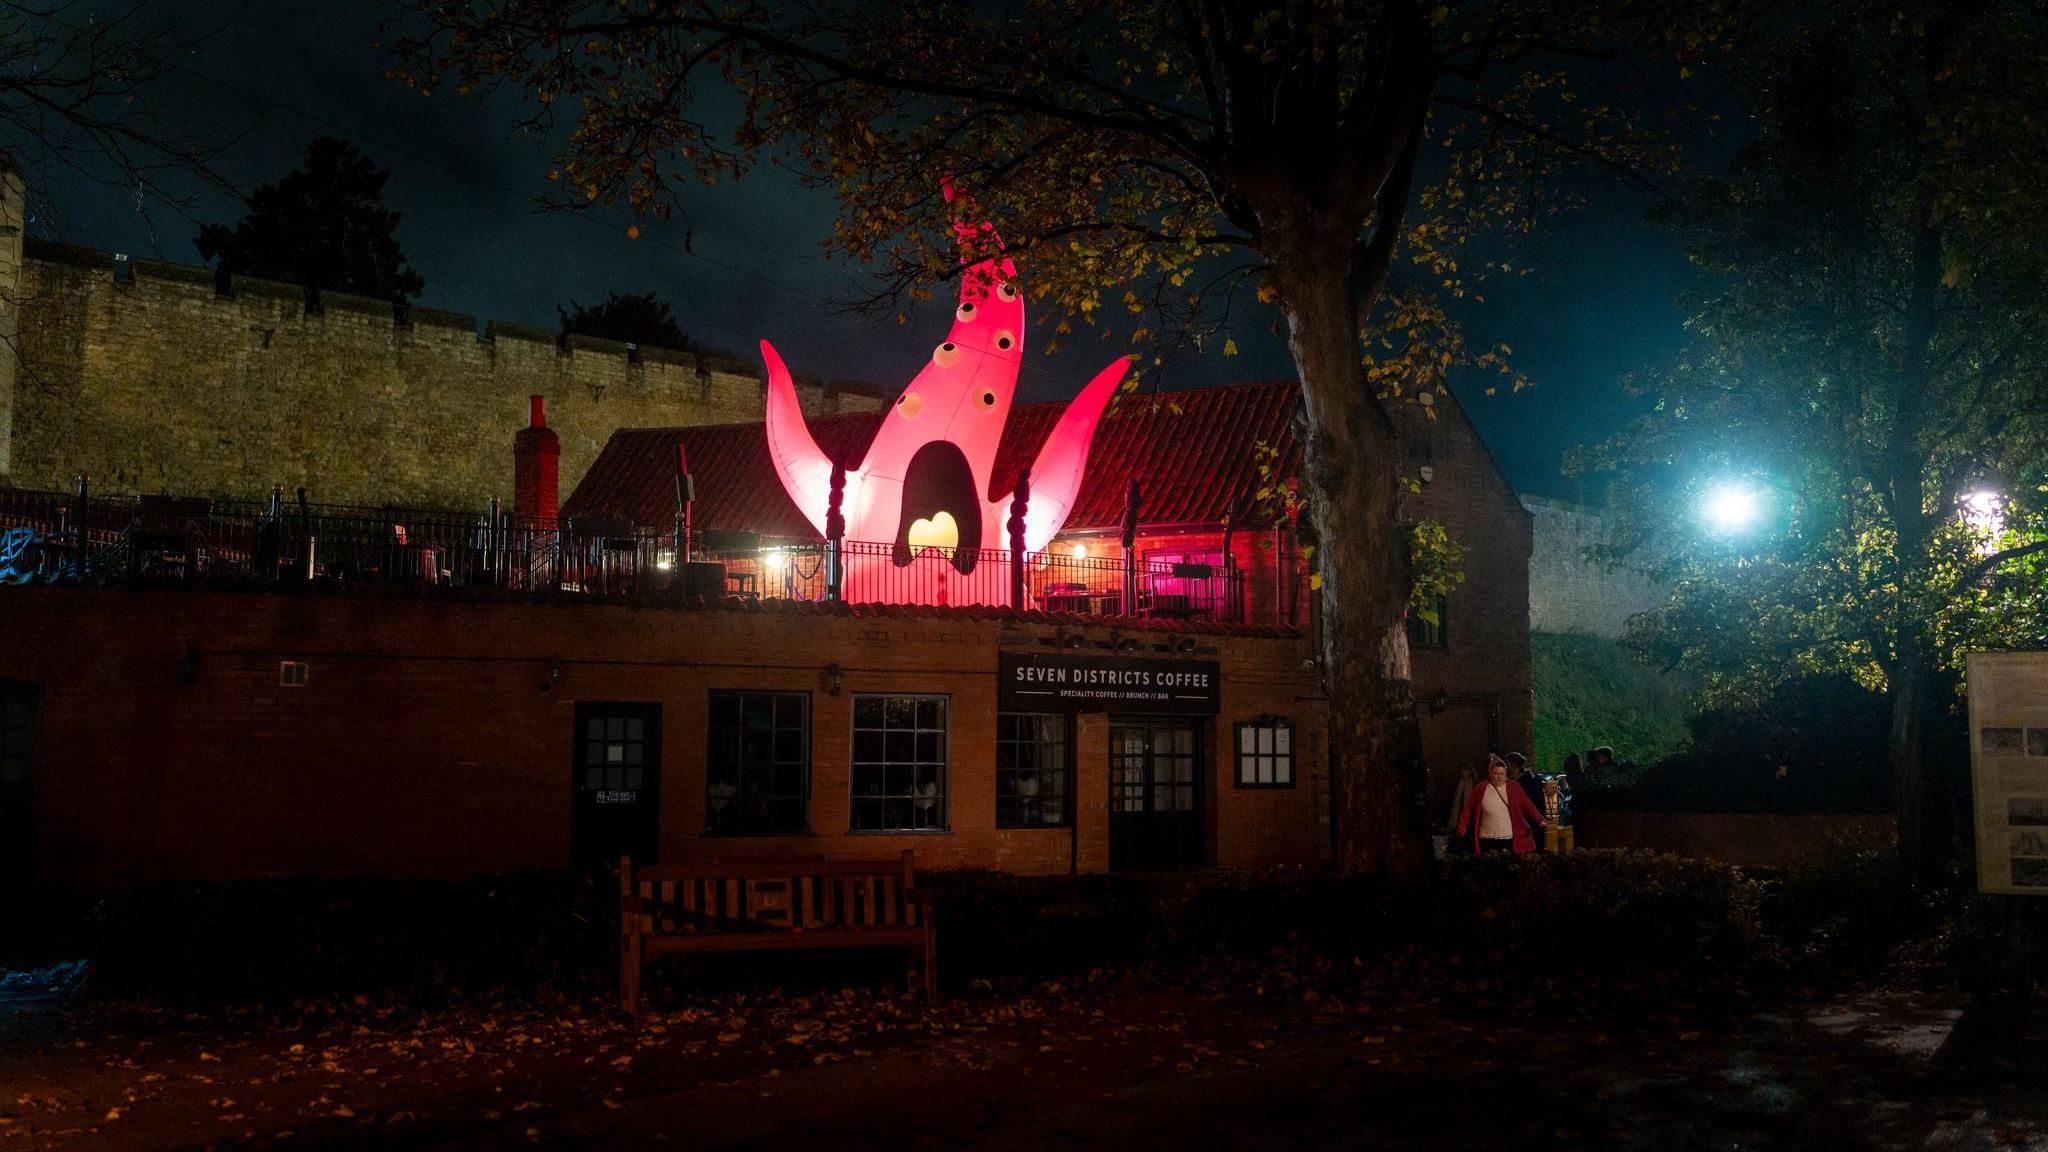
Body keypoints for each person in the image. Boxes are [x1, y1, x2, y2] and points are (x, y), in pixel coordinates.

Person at [1456, 753, 1547, 855]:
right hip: (1486, 837)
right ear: (1490, 773)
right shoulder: (1480, 788)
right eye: (1496, 773)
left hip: (1508, 837)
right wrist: (1462, 827)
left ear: (1505, 773)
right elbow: (1469, 808)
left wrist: (1540, 820)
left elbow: (1527, 805)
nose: (1499, 777)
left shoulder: (1514, 787)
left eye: (1501, 773)